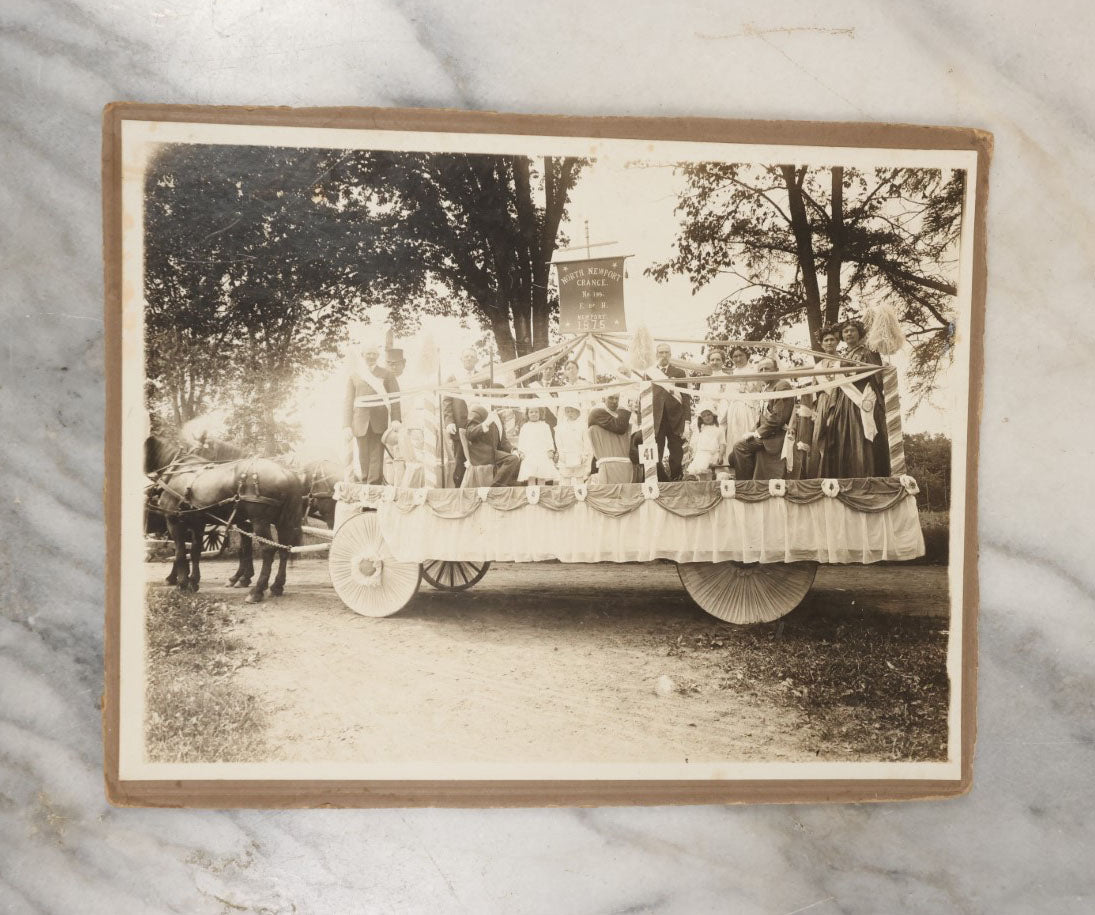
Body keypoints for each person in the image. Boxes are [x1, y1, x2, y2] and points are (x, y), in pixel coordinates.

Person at [820, 320, 890, 478]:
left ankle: (867, 473)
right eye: (845, 332)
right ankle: (848, 475)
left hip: (863, 400)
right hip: (845, 402)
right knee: (845, 438)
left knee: (861, 436)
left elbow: (878, 377)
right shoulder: (844, 357)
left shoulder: (868, 352)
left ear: (859, 334)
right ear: (842, 337)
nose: (849, 334)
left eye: (852, 330)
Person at [342, 342, 400, 485]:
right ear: (363, 356)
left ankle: (373, 487)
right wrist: (346, 425)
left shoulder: (387, 374)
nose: (371, 357)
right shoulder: (354, 376)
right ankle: (364, 485)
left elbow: (395, 399)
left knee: (376, 456)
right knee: (363, 456)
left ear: (378, 356)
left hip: (378, 420)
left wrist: (395, 419)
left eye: (374, 354)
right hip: (360, 421)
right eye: (368, 354)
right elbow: (348, 401)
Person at [731, 357, 794, 481]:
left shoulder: (782, 385)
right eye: (761, 370)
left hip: (777, 435)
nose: (764, 372)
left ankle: (745, 485)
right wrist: (751, 432)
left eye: (767, 369)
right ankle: (750, 481)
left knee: (739, 447)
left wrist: (757, 433)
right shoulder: (766, 387)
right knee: (731, 456)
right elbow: (762, 418)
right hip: (768, 434)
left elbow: (778, 418)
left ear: (776, 370)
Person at [648, 343, 691, 481]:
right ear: (656, 355)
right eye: (661, 353)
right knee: (655, 453)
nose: (664, 355)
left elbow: (685, 397)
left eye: (666, 352)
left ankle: (676, 479)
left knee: (676, 453)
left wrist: (687, 421)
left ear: (670, 355)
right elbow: (645, 397)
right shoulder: (649, 373)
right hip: (656, 419)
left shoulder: (679, 373)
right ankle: (660, 481)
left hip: (675, 418)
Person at [804, 327, 843, 478]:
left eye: (832, 339)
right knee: (821, 437)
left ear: (837, 342)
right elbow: (814, 390)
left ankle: (840, 473)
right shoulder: (818, 367)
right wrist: (814, 410)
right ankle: (821, 475)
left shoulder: (844, 362)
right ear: (821, 344)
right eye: (826, 340)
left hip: (841, 401)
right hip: (823, 403)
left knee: (839, 435)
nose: (829, 342)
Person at [442, 348, 484, 487]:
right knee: (460, 460)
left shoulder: (483, 376)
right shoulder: (454, 378)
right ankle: (458, 490)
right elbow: (447, 401)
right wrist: (449, 422)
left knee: (479, 458)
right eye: (466, 356)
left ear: (476, 360)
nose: (469, 359)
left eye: (472, 357)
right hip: (459, 425)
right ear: (461, 360)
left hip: (479, 424)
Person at [464, 404, 521, 486]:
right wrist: (486, 424)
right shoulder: (477, 410)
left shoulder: (497, 415)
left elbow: (503, 441)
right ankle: (493, 488)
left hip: (493, 452)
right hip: (482, 453)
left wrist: (513, 450)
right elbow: (469, 434)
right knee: (512, 459)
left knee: (517, 458)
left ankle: (501, 489)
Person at [587, 392, 636, 483]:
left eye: (617, 398)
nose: (614, 401)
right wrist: (624, 408)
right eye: (611, 398)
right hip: (606, 465)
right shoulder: (597, 412)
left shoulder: (617, 414)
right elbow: (620, 427)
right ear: (604, 398)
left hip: (621, 465)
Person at [554, 399, 592, 486]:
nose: (570, 414)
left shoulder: (582, 425)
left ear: (578, 412)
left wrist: (584, 455)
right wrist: (561, 453)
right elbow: (558, 441)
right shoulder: (561, 426)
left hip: (579, 455)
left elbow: (586, 442)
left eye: (572, 411)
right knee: (565, 478)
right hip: (565, 455)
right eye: (567, 411)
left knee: (579, 478)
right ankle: (566, 497)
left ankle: (579, 496)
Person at [516, 407, 557, 485]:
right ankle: (532, 494)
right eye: (531, 412)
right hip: (529, 454)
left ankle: (542, 493)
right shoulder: (525, 426)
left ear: (540, 413)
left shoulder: (545, 426)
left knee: (542, 476)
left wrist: (550, 450)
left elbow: (549, 439)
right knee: (531, 476)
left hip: (542, 454)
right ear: (527, 414)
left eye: (536, 412)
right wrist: (521, 452)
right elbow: (521, 441)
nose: (534, 414)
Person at [686, 404, 723, 478]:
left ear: (713, 415)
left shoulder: (719, 428)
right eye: (704, 416)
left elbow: (722, 444)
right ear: (701, 418)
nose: (707, 417)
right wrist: (692, 456)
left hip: (714, 454)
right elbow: (695, 444)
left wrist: (721, 455)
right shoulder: (700, 429)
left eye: (709, 414)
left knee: (709, 469)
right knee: (698, 468)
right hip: (700, 454)